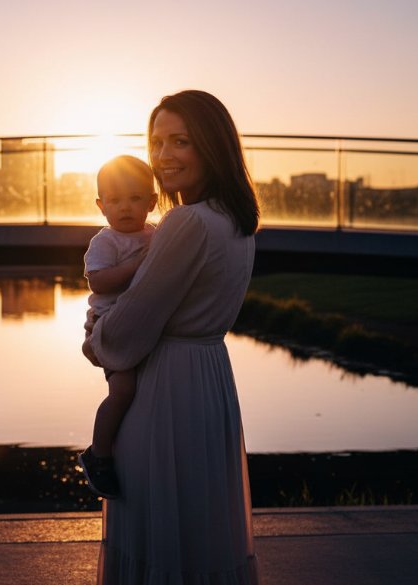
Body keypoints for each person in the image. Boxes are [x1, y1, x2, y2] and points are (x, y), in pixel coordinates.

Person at [82, 90, 261, 584]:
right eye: (157, 141)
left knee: (155, 524)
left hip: (164, 388)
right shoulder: (235, 220)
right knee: (199, 524)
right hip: (208, 381)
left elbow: (127, 332)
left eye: (180, 141)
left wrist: (96, 339)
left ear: (211, 145)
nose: (163, 155)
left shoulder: (185, 223)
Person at [78, 155, 158, 499]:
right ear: (101, 205)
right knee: (122, 390)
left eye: (135, 198)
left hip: (140, 325)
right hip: (108, 326)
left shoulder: (157, 235)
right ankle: (99, 453)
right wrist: (138, 265)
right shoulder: (105, 243)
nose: (125, 207)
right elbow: (98, 282)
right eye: (114, 200)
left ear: (152, 202)